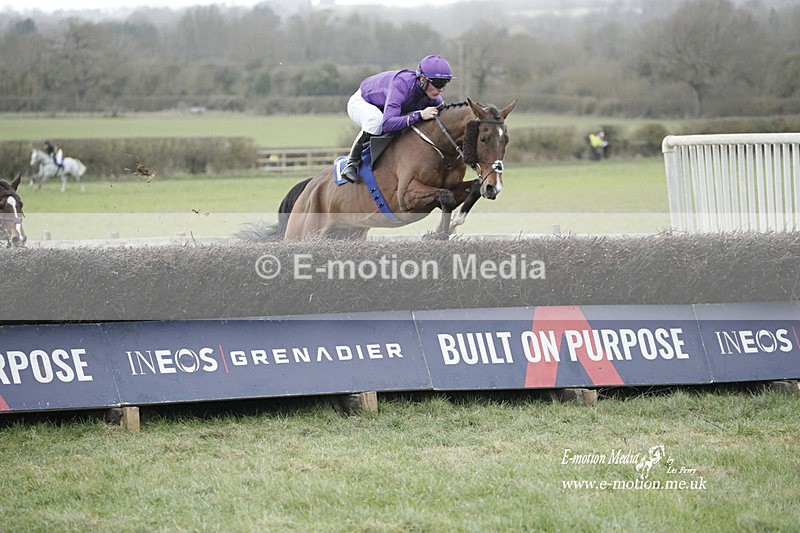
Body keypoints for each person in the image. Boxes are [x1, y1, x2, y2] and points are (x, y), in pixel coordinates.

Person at [341, 54, 456, 182]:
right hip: (363, 102)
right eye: (439, 83)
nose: (442, 89)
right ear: (423, 79)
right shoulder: (402, 85)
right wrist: (419, 115)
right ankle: (351, 163)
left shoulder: (432, 95)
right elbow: (388, 124)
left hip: (386, 107)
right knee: (376, 121)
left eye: (445, 83)